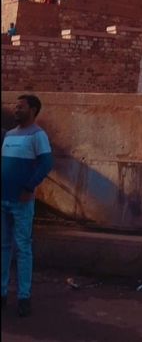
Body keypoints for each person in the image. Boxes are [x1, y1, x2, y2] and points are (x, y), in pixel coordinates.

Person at [1, 94, 53, 316]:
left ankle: (24, 296)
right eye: (15, 106)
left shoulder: (38, 135)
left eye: (20, 107)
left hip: (22, 202)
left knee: (23, 248)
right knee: (3, 247)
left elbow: (46, 163)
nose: (15, 109)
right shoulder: (9, 135)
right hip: (3, 199)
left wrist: (29, 187)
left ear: (32, 110)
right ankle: (2, 292)